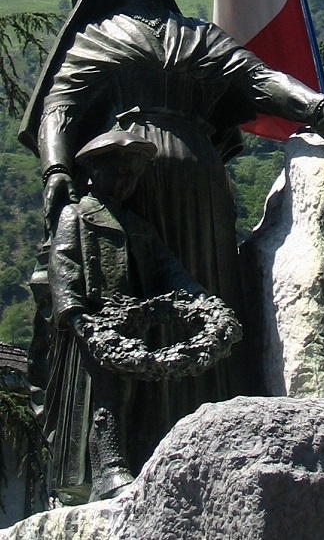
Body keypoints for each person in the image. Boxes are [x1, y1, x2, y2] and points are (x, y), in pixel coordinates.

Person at [19, 0, 324, 449]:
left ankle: (215, 433)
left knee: (206, 285)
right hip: (129, 187)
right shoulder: (99, 37)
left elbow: (259, 80)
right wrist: (57, 170)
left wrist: (320, 109)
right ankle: (127, 450)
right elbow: (59, 109)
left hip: (202, 188)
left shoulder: (199, 36)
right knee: (133, 299)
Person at [47, 130, 209, 504]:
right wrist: (77, 318)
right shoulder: (78, 215)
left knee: (137, 397)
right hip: (95, 326)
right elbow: (64, 265)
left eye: (133, 174)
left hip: (135, 325)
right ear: (95, 171)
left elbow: (170, 270)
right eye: (119, 172)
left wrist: (200, 300)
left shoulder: (139, 226)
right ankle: (108, 471)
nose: (126, 181)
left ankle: (130, 463)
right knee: (106, 397)